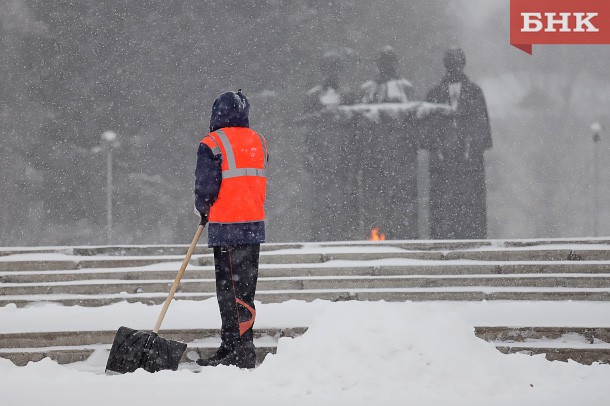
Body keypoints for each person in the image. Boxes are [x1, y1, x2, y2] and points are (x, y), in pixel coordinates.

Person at [194, 90, 269, 369]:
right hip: (253, 226)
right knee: (245, 290)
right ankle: (242, 347)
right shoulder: (259, 140)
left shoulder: (212, 143)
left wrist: (202, 207)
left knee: (228, 290)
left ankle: (234, 349)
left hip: (227, 226)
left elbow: (206, 185)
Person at [421, 48, 492, 239]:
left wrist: (467, 144)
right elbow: (426, 134)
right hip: (443, 167)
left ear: (463, 63)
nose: (454, 67)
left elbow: (483, 132)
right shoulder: (434, 94)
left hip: (468, 167)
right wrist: (441, 145)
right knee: (443, 213)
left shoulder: (475, 93)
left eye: (457, 62)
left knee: (469, 212)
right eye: (450, 63)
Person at [356, 46, 418, 240]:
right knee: (374, 202)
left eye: (390, 61)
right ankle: (375, 235)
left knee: (400, 202)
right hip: (374, 156)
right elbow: (361, 122)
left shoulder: (406, 88)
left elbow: (412, 121)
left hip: (399, 157)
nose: (387, 65)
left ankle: (400, 236)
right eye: (383, 61)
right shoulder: (368, 89)